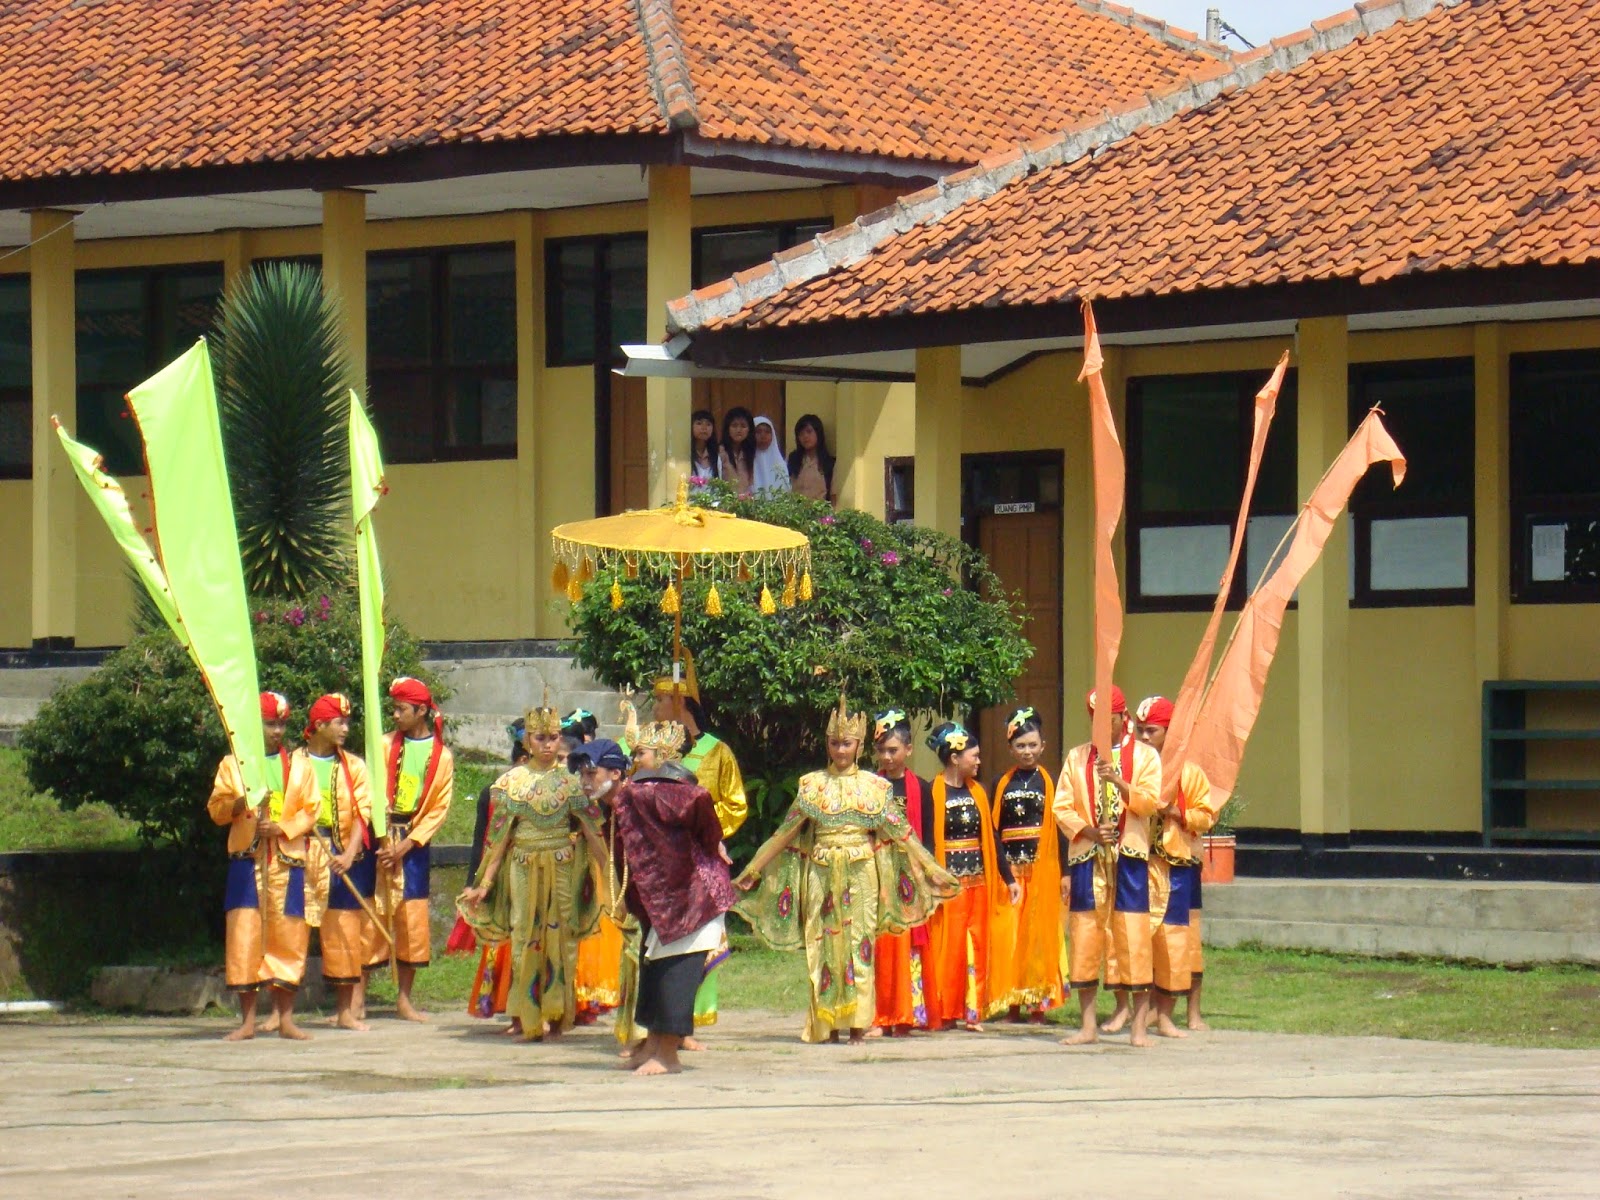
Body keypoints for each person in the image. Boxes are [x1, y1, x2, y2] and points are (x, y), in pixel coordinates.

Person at [736, 695, 956, 1043]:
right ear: (828, 744)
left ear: (858, 745)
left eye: (848, 743)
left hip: (861, 873)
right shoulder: (812, 786)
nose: (841, 750)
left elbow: (903, 832)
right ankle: (826, 1026)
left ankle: (858, 1024)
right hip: (821, 870)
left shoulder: (874, 787)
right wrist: (754, 868)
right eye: (835, 743)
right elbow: (785, 833)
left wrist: (931, 868)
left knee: (859, 945)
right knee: (821, 946)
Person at [456, 699, 606, 1042]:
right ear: (527, 742)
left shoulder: (572, 783)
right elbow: (499, 840)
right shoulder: (511, 783)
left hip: (562, 865)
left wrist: (608, 873)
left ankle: (557, 1016)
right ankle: (525, 1016)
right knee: (523, 937)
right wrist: (485, 883)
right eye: (539, 738)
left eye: (553, 737)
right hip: (522, 865)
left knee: (561, 938)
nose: (547, 744)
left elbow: (592, 832)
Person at [608, 720, 738, 1075]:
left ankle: (668, 1053)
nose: (634, 760)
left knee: (675, 975)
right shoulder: (634, 796)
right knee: (654, 971)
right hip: (663, 899)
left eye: (641, 753)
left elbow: (708, 832)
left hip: (693, 897)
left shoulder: (683, 794)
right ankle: (651, 1044)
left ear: (664, 757)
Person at [1052, 686, 1162, 1047]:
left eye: (1108, 720)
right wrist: (1088, 832)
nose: (1101, 727)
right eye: (1095, 720)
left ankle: (1139, 1027)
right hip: (1088, 857)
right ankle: (1087, 1026)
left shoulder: (1144, 757)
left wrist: (1118, 781)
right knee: (1084, 933)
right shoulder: (1077, 757)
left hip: (1129, 856)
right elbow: (1061, 807)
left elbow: (1149, 802)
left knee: (1133, 933)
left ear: (1121, 718)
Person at [206, 691, 316, 1041]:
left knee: (290, 936)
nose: (277, 731)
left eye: (282, 724)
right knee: (244, 936)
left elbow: (311, 811)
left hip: (286, 862)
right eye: (271, 724)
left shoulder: (301, 765)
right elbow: (217, 809)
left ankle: (285, 1018)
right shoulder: (232, 765)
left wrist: (281, 828)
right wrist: (241, 804)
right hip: (246, 862)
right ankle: (247, 1022)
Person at [652, 649, 746, 1038]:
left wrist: (705, 832)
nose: (655, 707)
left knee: (702, 940)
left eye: (660, 699)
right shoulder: (650, 752)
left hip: (703, 858)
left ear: (680, 702)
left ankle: (693, 1021)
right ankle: (661, 1020)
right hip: (661, 859)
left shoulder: (717, 752)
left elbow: (735, 804)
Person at [923, 722, 1020, 1032]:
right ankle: (944, 1008)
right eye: (973, 756)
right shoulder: (932, 791)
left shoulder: (978, 792)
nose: (978, 761)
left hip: (978, 880)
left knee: (976, 944)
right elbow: (926, 840)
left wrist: (1009, 878)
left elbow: (991, 837)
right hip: (947, 885)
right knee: (948, 948)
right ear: (955, 757)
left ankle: (972, 1010)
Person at [1134, 695, 1221, 1035]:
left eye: (1150, 731)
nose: (1143, 738)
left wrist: (1176, 812)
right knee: (1142, 937)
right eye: (1139, 731)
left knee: (1180, 939)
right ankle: (1147, 1010)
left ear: (1168, 733)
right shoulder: (1138, 771)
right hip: (1143, 864)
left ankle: (1175, 1011)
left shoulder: (1189, 773)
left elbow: (1206, 816)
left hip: (1179, 866)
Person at [372, 676, 454, 1023]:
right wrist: (380, 839)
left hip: (413, 843)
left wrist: (404, 846)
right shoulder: (383, 745)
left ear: (420, 710)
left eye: (401, 708)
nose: (395, 715)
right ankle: (357, 997)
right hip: (377, 838)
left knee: (412, 919)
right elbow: (369, 793)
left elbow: (438, 809)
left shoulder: (443, 757)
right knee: (372, 914)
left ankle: (404, 998)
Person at [300, 692, 376, 1032]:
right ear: (319, 725)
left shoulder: (354, 766)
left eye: (347, 722)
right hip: (300, 849)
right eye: (338, 722)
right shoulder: (295, 763)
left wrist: (347, 855)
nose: (345, 728)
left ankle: (346, 1010)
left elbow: (364, 812)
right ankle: (278, 1012)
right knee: (289, 928)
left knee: (344, 931)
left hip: (343, 853)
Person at [987, 706, 1065, 1022]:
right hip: (1012, 872)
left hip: (1042, 870)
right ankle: (1012, 1003)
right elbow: (993, 830)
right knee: (1012, 936)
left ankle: (1038, 1005)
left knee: (1039, 936)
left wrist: (1067, 873)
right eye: (1020, 746)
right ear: (1010, 749)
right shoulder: (1001, 783)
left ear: (1043, 746)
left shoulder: (1050, 782)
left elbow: (1060, 828)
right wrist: (1005, 873)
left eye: (1033, 745)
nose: (1027, 751)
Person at [870, 708, 933, 1035]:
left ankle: (907, 1013)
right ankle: (879, 1014)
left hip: (909, 877)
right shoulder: (868, 787)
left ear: (909, 750)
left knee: (908, 943)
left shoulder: (921, 788)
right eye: (881, 750)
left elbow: (929, 838)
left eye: (893, 750)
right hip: (876, 874)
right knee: (880, 945)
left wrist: (930, 871)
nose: (887, 756)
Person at [461, 721, 527, 1021]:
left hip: (547, 871)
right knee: (503, 936)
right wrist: (475, 881)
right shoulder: (496, 791)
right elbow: (485, 840)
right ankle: (503, 1000)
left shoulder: (560, 788)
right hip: (504, 872)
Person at [568, 737, 630, 1027]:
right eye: (581, 775)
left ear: (615, 774)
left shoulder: (636, 801)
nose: (585, 781)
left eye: (591, 774)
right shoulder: (602, 806)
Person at [787, 413, 835, 504]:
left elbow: (833, 498)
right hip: (795, 514)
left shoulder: (829, 463)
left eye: (809, 432)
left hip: (820, 514)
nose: (805, 436)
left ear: (818, 433)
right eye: (801, 434)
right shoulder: (793, 459)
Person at [718, 405, 756, 494]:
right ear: (727, 428)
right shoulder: (720, 452)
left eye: (743, 426)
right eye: (734, 426)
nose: (738, 430)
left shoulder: (749, 453)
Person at [750, 415, 790, 497]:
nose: (763, 436)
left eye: (767, 432)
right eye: (758, 432)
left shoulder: (780, 465)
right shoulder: (746, 461)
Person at [689, 408, 719, 481]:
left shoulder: (717, 453)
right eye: (699, 423)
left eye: (708, 424)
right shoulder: (686, 452)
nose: (704, 428)